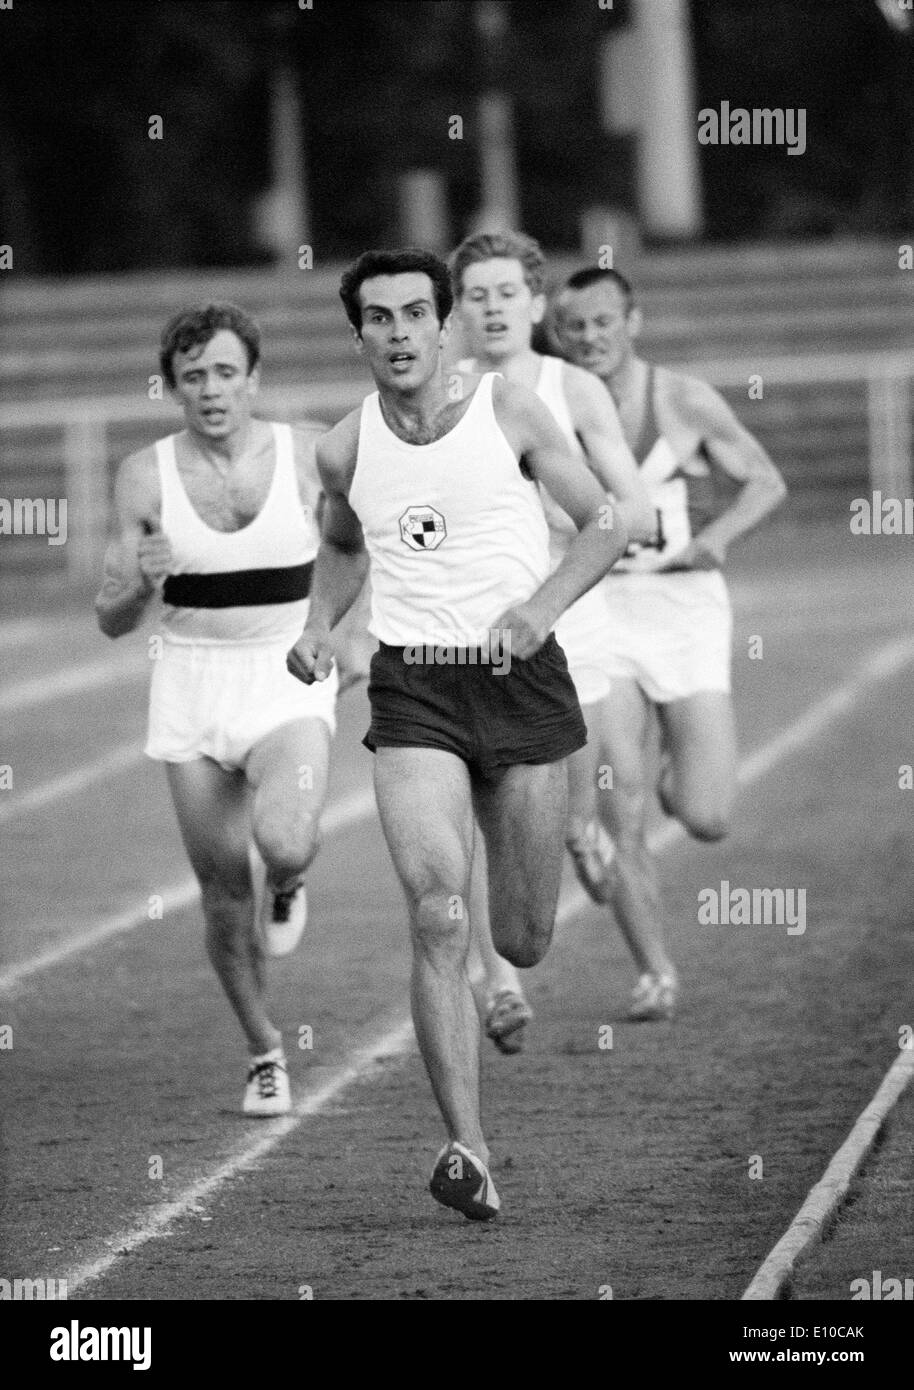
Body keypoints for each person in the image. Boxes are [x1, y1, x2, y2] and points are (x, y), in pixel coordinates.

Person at [286, 248, 630, 1220]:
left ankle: (537, 915)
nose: (397, 333)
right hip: (414, 690)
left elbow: (604, 520)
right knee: (437, 911)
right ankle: (466, 1150)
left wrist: (540, 605)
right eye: (377, 318)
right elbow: (343, 547)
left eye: (412, 314)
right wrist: (319, 627)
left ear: (444, 326)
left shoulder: (509, 411)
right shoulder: (344, 446)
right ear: (357, 333)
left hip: (519, 681)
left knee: (520, 938)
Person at [95, 302, 342, 1117]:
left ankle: (291, 880)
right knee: (223, 892)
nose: (210, 390)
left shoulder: (309, 454)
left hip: (284, 674)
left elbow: (359, 551)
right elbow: (111, 616)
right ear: (172, 387)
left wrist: (336, 632)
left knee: (286, 839)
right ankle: (264, 1049)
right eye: (193, 376)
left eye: (225, 372)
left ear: (253, 379)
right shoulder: (143, 475)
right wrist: (141, 580)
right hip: (192, 683)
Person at [552, 267, 787, 1019]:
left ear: (633, 321)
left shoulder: (682, 399)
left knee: (707, 814)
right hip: (597, 612)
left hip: (682, 610)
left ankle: (673, 775)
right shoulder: (548, 404)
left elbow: (765, 481)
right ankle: (655, 971)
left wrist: (716, 537)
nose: (589, 337)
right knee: (616, 810)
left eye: (602, 322)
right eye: (575, 326)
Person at [448, 230, 653, 1052]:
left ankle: (578, 836)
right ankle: (500, 984)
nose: (493, 307)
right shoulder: (438, 391)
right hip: (465, 631)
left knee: (568, 813)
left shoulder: (574, 390)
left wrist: (559, 514)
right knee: (463, 811)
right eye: (477, 294)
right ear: (458, 309)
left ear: (537, 304)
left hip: (571, 621)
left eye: (507, 293)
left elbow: (629, 505)